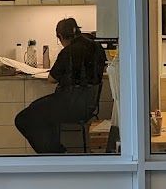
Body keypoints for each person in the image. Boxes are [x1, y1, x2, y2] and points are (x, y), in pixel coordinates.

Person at [15, 18, 106, 154]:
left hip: (69, 104)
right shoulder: (96, 46)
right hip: (88, 105)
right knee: (41, 114)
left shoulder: (68, 52)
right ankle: (55, 152)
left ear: (61, 36)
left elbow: (52, 79)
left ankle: (55, 153)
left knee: (24, 118)